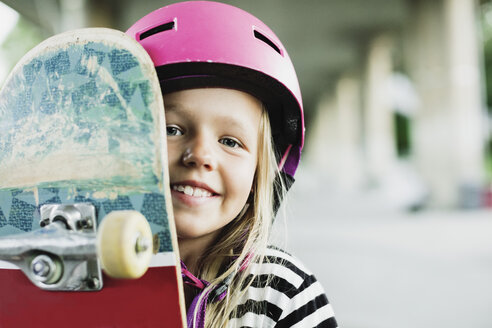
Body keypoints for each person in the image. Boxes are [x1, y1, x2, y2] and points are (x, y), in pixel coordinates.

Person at [126, 1, 337, 327]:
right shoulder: (78, 274)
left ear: (261, 172)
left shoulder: (283, 293)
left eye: (230, 141)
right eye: (171, 129)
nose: (200, 155)